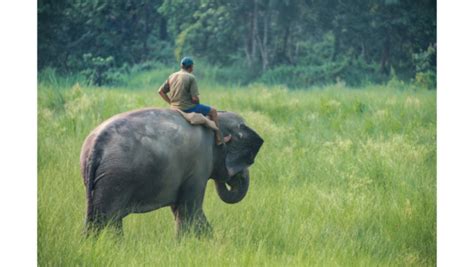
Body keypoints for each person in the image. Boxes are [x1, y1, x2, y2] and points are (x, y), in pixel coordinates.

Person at [158, 57, 231, 145]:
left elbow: (161, 91)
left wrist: (171, 103)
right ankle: (219, 138)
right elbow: (195, 98)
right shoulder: (191, 77)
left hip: (174, 108)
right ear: (191, 67)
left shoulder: (172, 76)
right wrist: (197, 105)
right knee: (213, 111)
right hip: (187, 108)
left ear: (181, 66)